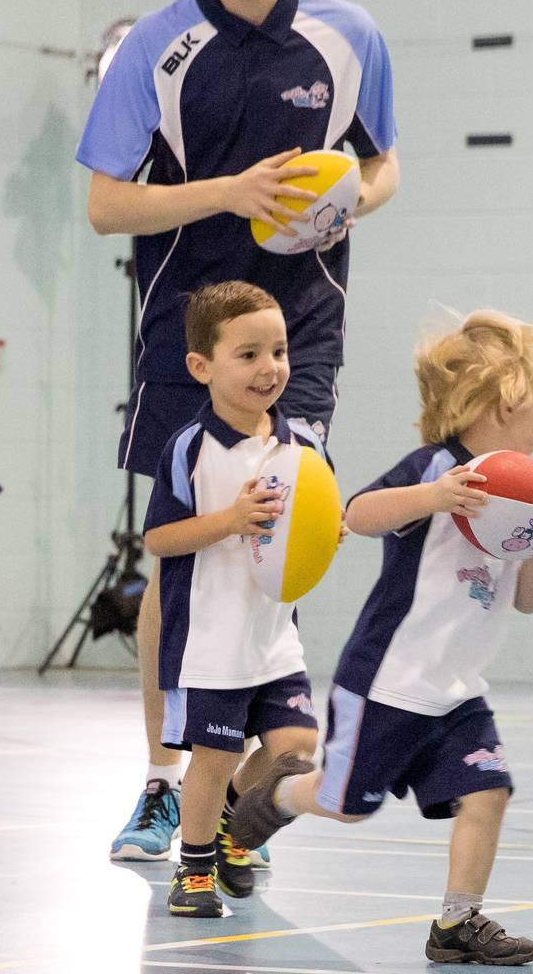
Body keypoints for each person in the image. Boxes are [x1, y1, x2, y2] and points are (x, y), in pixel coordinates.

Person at [78, 0, 400, 865]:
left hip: (300, 334)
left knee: (280, 541)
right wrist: (229, 194)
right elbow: (104, 206)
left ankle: (245, 795)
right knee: (174, 565)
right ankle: (163, 786)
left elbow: (384, 168)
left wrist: (347, 201)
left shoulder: (351, 38)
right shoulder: (154, 50)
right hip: (187, 337)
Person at [230, 310, 533, 967]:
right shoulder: (435, 468)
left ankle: (457, 924)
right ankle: (277, 793)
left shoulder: (519, 499)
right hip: (390, 683)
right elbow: (359, 513)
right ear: (506, 402)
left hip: (457, 693)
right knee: (347, 807)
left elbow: (530, 602)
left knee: (489, 790)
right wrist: (431, 497)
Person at [146, 282, 328, 918]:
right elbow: (160, 538)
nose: (269, 367)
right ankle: (192, 871)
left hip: (275, 635)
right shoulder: (189, 449)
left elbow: (316, 519)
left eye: (277, 351)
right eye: (248, 354)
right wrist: (231, 519)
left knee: (296, 749)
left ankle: (232, 827)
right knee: (216, 755)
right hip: (210, 641)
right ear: (203, 367)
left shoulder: (303, 443)